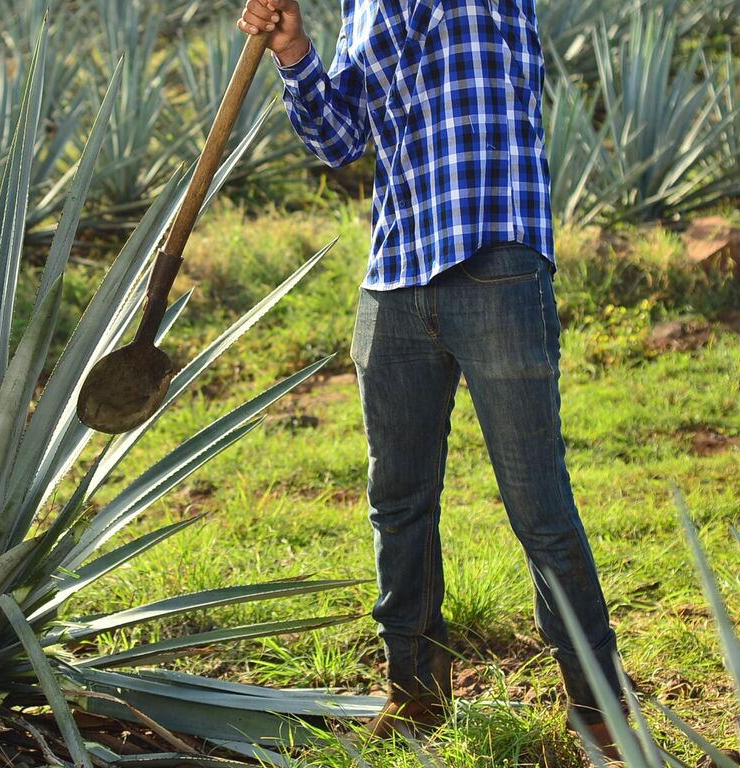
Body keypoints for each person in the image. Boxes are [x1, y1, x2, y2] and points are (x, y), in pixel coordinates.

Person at [236, 0, 624, 755]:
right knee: (397, 499)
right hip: (396, 273)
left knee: (538, 505)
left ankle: (600, 703)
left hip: (494, 262)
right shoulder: (361, 8)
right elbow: (338, 140)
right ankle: (416, 689)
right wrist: (294, 52)